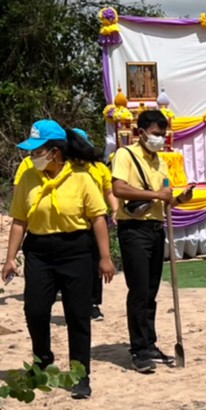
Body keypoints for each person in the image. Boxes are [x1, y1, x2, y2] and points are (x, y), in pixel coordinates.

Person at [3, 121, 114, 398]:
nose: (32, 156)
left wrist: (105, 257)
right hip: (39, 251)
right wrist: (10, 257)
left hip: (76, 250)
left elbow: (98, 219)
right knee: (35, 311)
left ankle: (80, 374)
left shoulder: (82, 177)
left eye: (37, 150)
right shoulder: (29, 177)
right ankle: (43, 360)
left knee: (77, 316)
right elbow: (19, 220)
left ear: (54, 152)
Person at [110, 108, 192, 375]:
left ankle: (150, 341)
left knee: (152, 291)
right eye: (156, 134)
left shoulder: (161, 162)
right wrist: (155, 193)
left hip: (156, 229)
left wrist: (179, 199)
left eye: (163, 134)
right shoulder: (125, 155)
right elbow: (118, 188)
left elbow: (163, 198)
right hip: (134, 229)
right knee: (139, 290)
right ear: (141, 132)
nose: (160, 138)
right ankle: (139, 350)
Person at [74, 128, 119, 321]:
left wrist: (115, 209)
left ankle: (93, 303)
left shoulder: (99, 168)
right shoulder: (69, 169)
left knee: (96, 263)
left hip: (96, 221)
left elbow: (109, 191)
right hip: (74, 224)